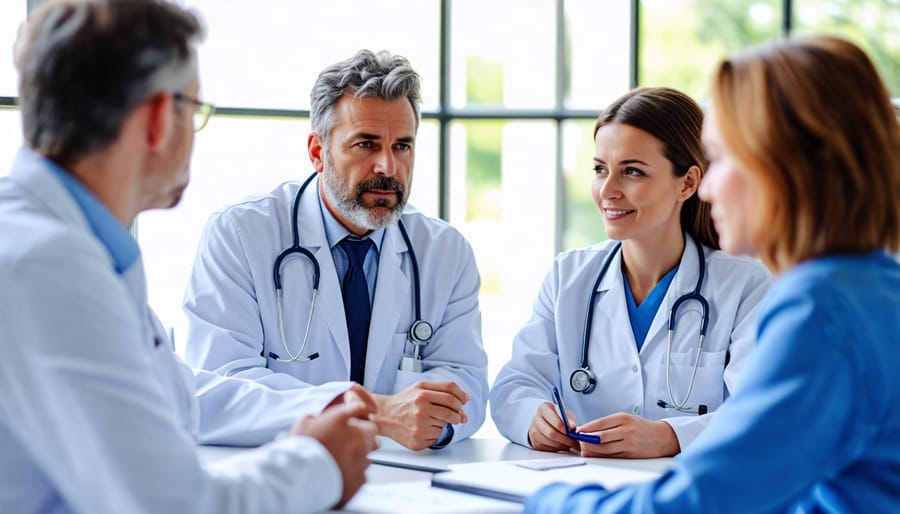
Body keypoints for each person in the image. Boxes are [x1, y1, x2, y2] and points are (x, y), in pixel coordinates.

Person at [0, 1, 379, 512]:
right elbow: (171, 504)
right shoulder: (46, 265)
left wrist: (329, 407)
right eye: (195, 110)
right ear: (159, 117)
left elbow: (179, 394)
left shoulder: (63, 247)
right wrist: (317, 463)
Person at [525, 35, 900, 513]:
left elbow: (703, 502)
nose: (707, 189)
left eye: (721, 159)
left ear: (785, 165)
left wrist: (550, 502)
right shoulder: (875, 288)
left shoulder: (819, 310)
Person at [183, 49, 488, 451]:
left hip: (407, 480)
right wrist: (374, 412)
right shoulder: (240, 234)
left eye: (403, 147)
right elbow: (220, 387)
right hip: (278, 474)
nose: (388, 167)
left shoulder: (444, 251)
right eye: (366, 144)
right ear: (317, 152)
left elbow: (465, 379)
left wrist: (437, 421)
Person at [490, 86, 770, 459]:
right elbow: (515, 384)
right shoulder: (568, 276)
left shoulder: (744, 286)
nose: (607, 190)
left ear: (687, 183)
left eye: (632, 172)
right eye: (600, 169)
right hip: (583, 488)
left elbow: (760, 414)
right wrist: (533, 419)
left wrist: (670, 437)